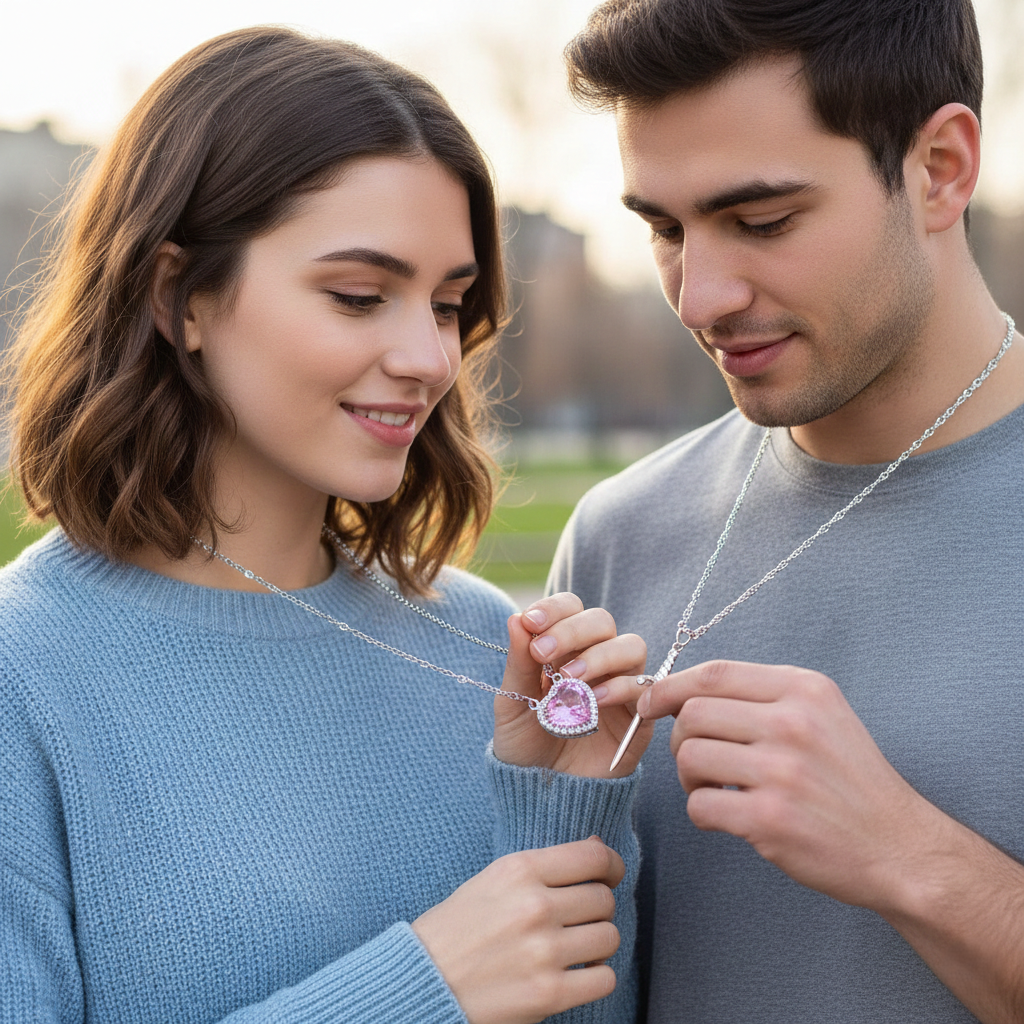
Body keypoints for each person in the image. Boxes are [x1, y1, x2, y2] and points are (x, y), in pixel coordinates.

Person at [0, 27, 652, 1024]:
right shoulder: (25, 676)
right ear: (181, 296)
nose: (429, 357)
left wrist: (559, 808)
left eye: (447, 302)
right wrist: (423, 989)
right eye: (359, 296)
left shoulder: (494, 654)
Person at [551, 1, 1024, 1021]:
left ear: (938, 167)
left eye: (761, 221)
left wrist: (909, 852)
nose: (700, 296)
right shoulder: (616, 532)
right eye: (665, 229)